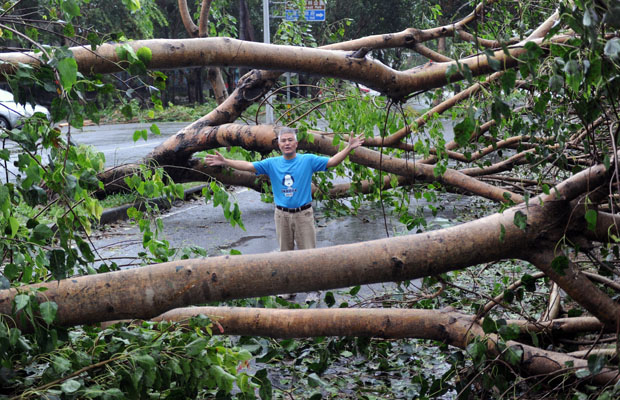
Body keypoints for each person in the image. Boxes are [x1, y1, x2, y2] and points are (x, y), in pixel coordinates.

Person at [205, 128, 364, 252]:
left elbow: (332, 162)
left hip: (303, 214)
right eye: (283, 141)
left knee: (309, 254)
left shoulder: (307, 160)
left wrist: (349, 147)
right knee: (285, 254)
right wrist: (225, 161)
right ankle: (289, 293)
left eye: (290, 140)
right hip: (281, 215)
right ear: (279, 144)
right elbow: (248, 166)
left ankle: (313, 292)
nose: (287, 143)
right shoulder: (272, 163)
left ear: (296, 144)